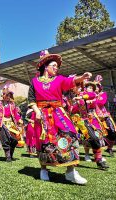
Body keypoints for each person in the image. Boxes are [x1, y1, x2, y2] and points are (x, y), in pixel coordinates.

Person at [28, 50, 91, 184]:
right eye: (53, 66)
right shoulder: (34, 82)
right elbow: (31, 99)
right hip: (41, 114)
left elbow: (70, 81)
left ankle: (71, 171)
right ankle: (44, 169)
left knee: (70, 134)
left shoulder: (59, 79)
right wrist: (37, 111)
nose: (56, 68)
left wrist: (81, 77)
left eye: (57, 66)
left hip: (58, 113)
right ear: (45, 66)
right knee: (44, 142)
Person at [70, 81, 109, 170]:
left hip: (83, 122)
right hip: (70, 123)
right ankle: (71, 162)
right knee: (71, 142)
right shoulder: (68, 96)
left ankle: (99, 160)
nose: (80, 89)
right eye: (78, 87)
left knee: (94, 139)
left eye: (81, 87)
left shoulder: (83, 96)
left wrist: (81, 97)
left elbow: (93, 95)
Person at [0, 84, 23, 162]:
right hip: (1, 124)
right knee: (5, 140)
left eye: (10, 95)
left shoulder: (12, 104)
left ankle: (10, 154)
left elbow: (16, 114)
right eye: (7, 95)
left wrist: (19, 120)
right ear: (3, 95)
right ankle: (8, 156)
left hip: (11, 124)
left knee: (14, 140)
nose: (8, 97)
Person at [94, 75, 116, 157]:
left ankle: (110, 148)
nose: (96, 88)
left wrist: (95, 96)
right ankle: (97, 153)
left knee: (113, 131)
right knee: (97, 134)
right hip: (94, 117)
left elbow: (102, 102)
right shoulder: (88, 95)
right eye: (94, 87)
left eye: (97, 87)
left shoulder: (103, 94)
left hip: (104, 116)